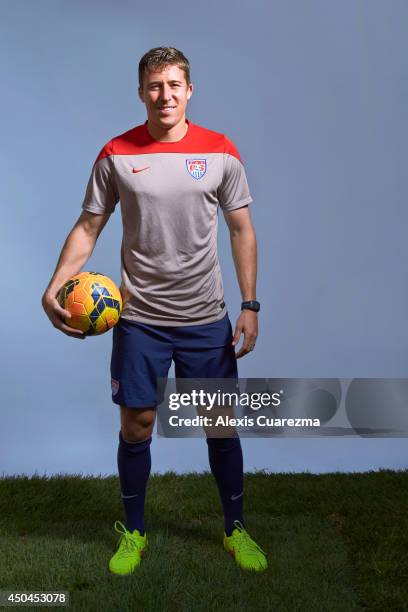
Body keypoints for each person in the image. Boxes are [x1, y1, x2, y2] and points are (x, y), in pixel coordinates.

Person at [41, 46, 267, 574]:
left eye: (173, 85)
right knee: (138, 424)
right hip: (139, 318)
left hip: (205, 318)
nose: (164, 95)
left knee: (220, 426)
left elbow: (242, 230)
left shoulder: (221, 152)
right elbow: (88, 226)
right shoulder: (117, 152)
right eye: (154, 86)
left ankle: (235, 530)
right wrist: (53, 287)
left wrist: (250, 304)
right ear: (141, 92)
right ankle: (134, 532)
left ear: (189, 90)